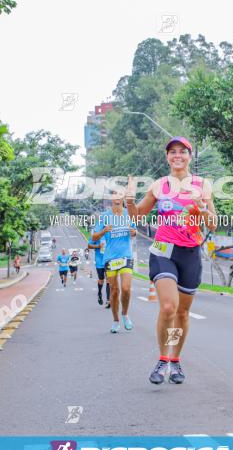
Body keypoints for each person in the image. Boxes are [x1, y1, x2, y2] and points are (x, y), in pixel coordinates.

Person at [125, 137, 217, 384]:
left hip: (190, 253)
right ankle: (162, 359)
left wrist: (202, 210)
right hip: (163, 249)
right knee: (168, 307)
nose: (177, 156)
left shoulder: (202, 185)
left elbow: (213, 223)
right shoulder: (159, 186)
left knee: (183, 314)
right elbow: (138, 216)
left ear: (190, 156)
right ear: (167, 157)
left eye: (182, 152)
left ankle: (175, 360)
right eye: (172, 152)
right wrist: (130, 200)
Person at [92, 193, 137, 333]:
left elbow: (134, 232)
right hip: (110, 258)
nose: (117, 197)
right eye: (114, 194)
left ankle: (125, 314)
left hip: (126, 256)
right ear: (111, 198)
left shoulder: (129, 214)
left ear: (123, 197)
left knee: (126, 288)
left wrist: (133, 231)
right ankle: (116, 320)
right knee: (114, 290)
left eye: (119, 194)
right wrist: (104, 231)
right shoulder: (104, 216)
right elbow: (93, 237)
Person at [87, 236, 108, 305]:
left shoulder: (110, 233)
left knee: (109, 280)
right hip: (99, 261)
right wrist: (98, 246)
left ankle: (108, 299)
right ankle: (99, 292)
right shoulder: (97, 235)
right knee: (101, 280)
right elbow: (89, 246)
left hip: (109, 260)